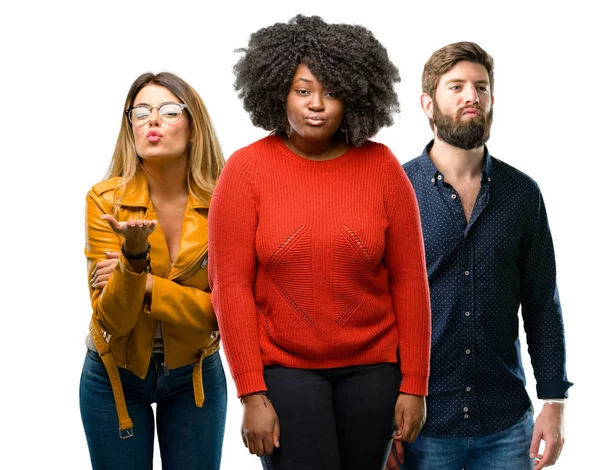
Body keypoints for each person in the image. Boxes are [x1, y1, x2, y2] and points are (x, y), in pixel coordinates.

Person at [208, 14, 431, 470]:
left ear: (354, 95)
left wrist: (415, 384)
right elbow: (230, 286)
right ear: (278, 92)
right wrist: (250, 390)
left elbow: (410, 281)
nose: (317, 105)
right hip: (285, 370)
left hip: (373, 372)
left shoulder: (383, 167)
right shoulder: (246, 171)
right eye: (303, 90)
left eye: (332, 92)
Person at [387, 42, 573, 470]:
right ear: (427, 104)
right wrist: (380, 418)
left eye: (481, 87)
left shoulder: (522, 194)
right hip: (421, 425)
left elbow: (543, 304)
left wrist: (554, 400)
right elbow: (375, 310)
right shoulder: (395, 190)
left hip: (507, 426)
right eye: (457, 87)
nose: (472, 96)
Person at [79, 72, 227, 470]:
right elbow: (114, 318)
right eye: (140, 112)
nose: (152, 120)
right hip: (114, 374)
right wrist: (134, 253)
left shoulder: (226, 203)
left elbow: (228, 314)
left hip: (195, 374)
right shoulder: (104, 201)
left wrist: (141, 282)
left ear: (193, 126)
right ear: (130, 128)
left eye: (168, 110)